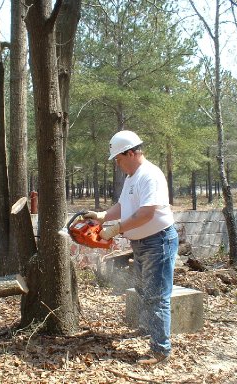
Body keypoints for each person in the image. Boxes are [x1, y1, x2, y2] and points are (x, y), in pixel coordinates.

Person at [85, 130, 178, 365]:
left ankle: (160, 351)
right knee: (144, 290)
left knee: (157, 296)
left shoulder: (149, 175)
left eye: (118, 158)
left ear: (130, 152)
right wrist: (103, 216)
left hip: (158, 241)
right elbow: (123, 205)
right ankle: (149, 329)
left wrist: (117, 228)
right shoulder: (131, 177)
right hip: (142, 243)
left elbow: (147, 213)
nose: (117, 163)